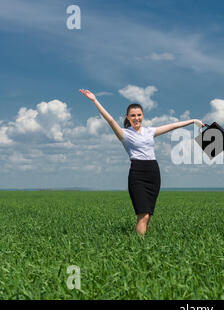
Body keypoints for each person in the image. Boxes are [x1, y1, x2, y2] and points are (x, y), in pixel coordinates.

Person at [79, 89, 205, 235]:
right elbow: (111, 120)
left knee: (148, 214)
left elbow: (173, 126)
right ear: (128, 117)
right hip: (137, 173)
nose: (136, 118)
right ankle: (139, 248)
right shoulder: (124, 134)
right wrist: (95, 100)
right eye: (133, 115)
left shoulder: (149, 131)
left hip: (153, 172)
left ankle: (145, 245)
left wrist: (193, 121)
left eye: (139, 115)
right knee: (143, 214)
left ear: (143, 116)